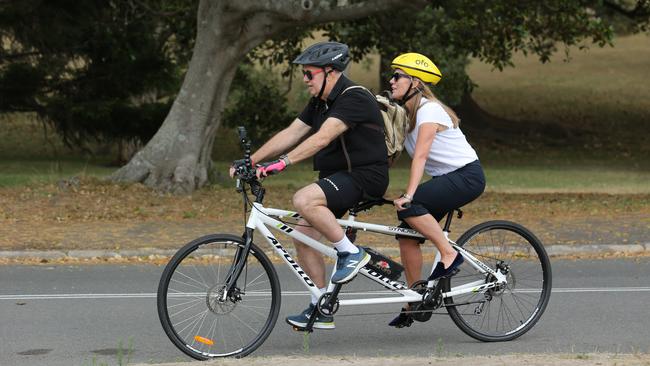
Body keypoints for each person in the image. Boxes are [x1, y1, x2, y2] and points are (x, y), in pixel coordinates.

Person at [230, 41, 389, 330]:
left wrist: (281, 164)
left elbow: (321, 139)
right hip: (338, 179)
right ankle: (321, 305)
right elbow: (293, 132)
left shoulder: (354, 98)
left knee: (303, 199)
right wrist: (251, 162)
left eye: (309, 74)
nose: (305, 81)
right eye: (304, 74)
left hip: (365, 177)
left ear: (331, 72)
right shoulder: (320, 102)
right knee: (302, 234)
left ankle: (351, 253)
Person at [386, 53, 486, 328]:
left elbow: (420, 157)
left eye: (397, 76)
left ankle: (450, 254)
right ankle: (414, 298)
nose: (391, 81)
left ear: (415, 82)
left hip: (467, 176)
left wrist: (408, 194)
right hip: (447, 178)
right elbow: (392, 156)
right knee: (406, 236)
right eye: (391, 76)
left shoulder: (429, 110)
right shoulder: (406, 116)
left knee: (411, 205)